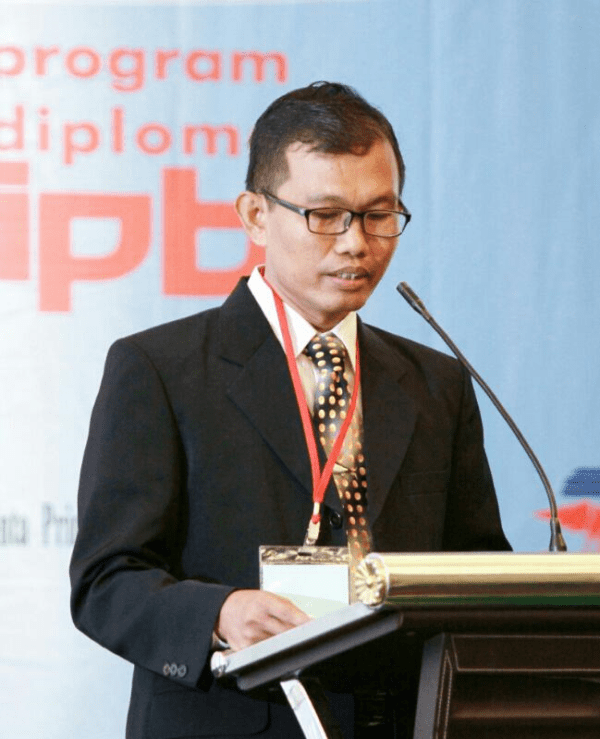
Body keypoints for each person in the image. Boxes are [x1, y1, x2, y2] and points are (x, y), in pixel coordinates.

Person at [70, 81, 510, 738]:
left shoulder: (436, 383)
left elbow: (477, 571)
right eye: (326, 215)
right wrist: (219, 613)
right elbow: (106, 579)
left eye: (379, 214)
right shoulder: (160, 368)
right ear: (255, 215)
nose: (356, 243)